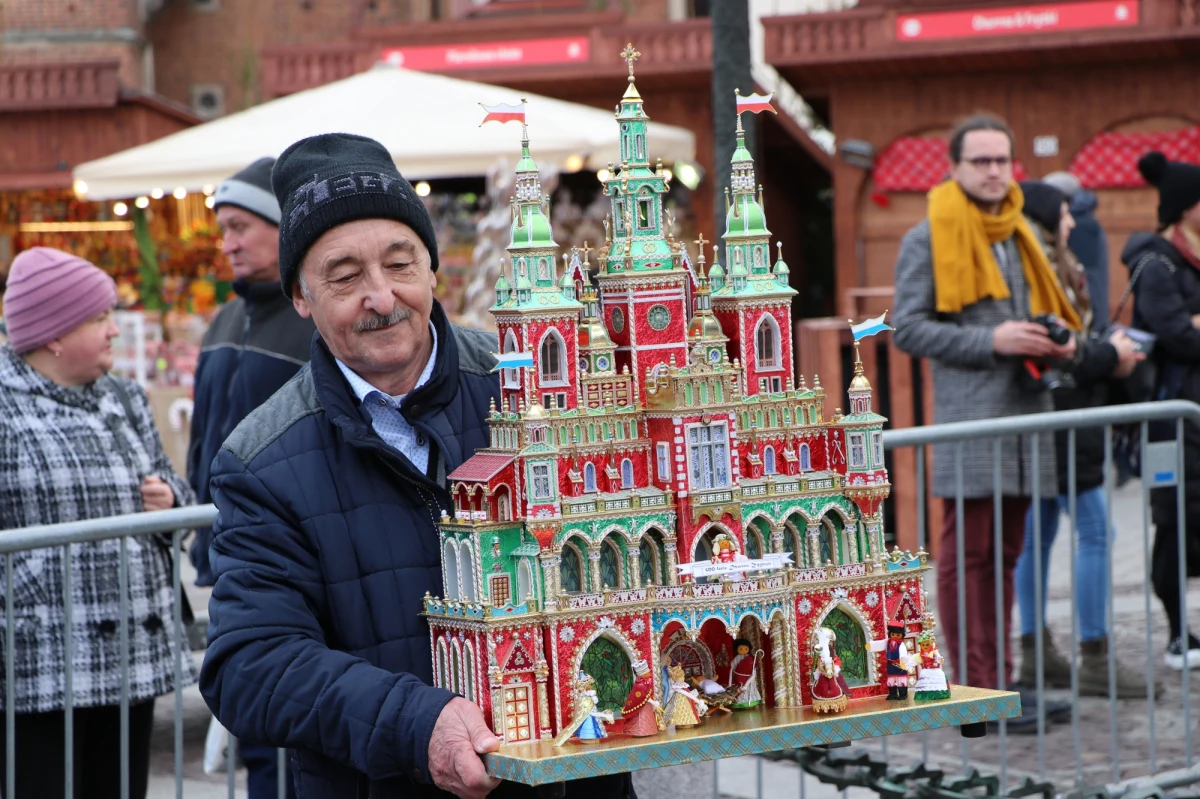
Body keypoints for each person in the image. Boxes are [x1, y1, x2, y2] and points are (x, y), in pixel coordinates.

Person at [198, 133, 636, 799]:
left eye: (401, 264)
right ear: (300, 297)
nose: (381, 296)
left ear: (434, 270)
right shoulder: (262, 459)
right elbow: (251, 662)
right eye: (344, 277)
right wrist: (415, 721)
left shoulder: (539, 388)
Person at [892, 113, 1077, 731]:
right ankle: (974, 694)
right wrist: (992, 339)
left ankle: (1000, 687)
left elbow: (1052, 308)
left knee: (1006, 554)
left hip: (1027, 418)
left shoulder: (1024, 229)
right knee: (966, 557)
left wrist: (1060, 337)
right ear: (956, 167)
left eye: (1003, 160)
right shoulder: (928, 235)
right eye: (982, 161)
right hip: (971, 419)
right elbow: (909, 329)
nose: (995, 171)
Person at [0, 247, 197, 799]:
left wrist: (170, 502)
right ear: (55, 333)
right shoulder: (5, 407)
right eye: (99, 318)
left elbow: (174, 492)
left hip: (130, 652)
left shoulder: (127, 398)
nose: (114, 330)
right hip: (36, 663)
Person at [186, 156, 313, 799]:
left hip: (293, 550)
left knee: (292, 720)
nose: (228, 242)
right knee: (253, 718)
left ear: (280, 226)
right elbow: (203, 438)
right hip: (226, 550)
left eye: (241, 226)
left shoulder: (317, 321)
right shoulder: (222, 322)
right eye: (224, 229)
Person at [1013, 180, 1151, 699]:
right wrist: (1110, 355)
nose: (1072, 222)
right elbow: (1062, 345)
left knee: (1040, 536)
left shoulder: (1049, 264)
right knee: (1095, 533)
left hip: (1061, 417)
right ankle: (1092, 654)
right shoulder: (1043, 268)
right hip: (1064, 418)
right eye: (1065, 214)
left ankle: (1035, 653)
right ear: (1048, 220)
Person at [1122, 151, 1200, 671]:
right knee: (1175, 520)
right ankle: (1178, 634)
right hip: (1168, 418)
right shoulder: (1156, 260)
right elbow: (1177, 335)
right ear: (1184, 207)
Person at [1043, 170, 1111, 331]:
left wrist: (1097, 325)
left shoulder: (1080, 225)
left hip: (1090, 317)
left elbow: (1088, 278)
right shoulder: (1084, 218)